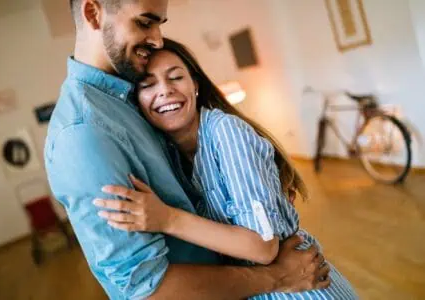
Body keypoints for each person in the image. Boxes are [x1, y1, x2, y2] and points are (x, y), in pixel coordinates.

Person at [45, 0, 330, 299]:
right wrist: (276, 276)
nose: (156, 39)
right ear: (92, 13)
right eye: (144, 22)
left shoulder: (126, 99)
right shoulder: (83, 132)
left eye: (159, 24)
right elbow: (148, 291)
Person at [93, 38, 358, 299]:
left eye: (175, 78)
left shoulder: (226, 132)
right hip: (256, 287)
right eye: (148, 84)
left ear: (195, 85)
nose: (165, 90)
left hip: (298, 288)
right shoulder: (169, 157)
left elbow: (262, 247)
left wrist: (166, 218)